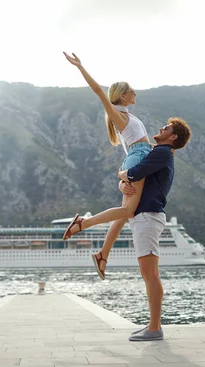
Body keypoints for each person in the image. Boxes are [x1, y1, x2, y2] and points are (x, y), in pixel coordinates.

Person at [62, 52, 151, 280]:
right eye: (131, 90)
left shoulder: (128, 116)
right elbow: (99, 92)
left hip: (137, 156)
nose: (135, 93)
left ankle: (102, 255)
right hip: (138, 157)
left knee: (123, 215)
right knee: (128, 211)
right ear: (122, 95)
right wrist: (80, 67)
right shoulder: (118, 115)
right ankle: (83, 223)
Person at [117, 117, 192, 341]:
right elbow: (133, 178)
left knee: (150, 274)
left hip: (148, 216)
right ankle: (153, 325)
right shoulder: (159, 153)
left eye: (166, 128)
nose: (161, 128)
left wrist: (122, 175)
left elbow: (134, 173)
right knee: (148, 274)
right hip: (146, 216)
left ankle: (154, 328)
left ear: (173, 136)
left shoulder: (162, 152)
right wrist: (125, 180)